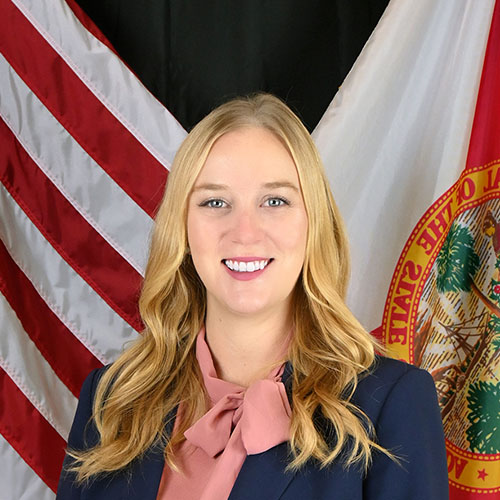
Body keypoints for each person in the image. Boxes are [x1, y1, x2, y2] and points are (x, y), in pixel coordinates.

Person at [57, 93, 449, 499]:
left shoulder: (390, 404)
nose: (245, 232)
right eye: (215, 201)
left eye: (275, 201)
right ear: (183, 230)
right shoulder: (111, 402)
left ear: (313, 224)